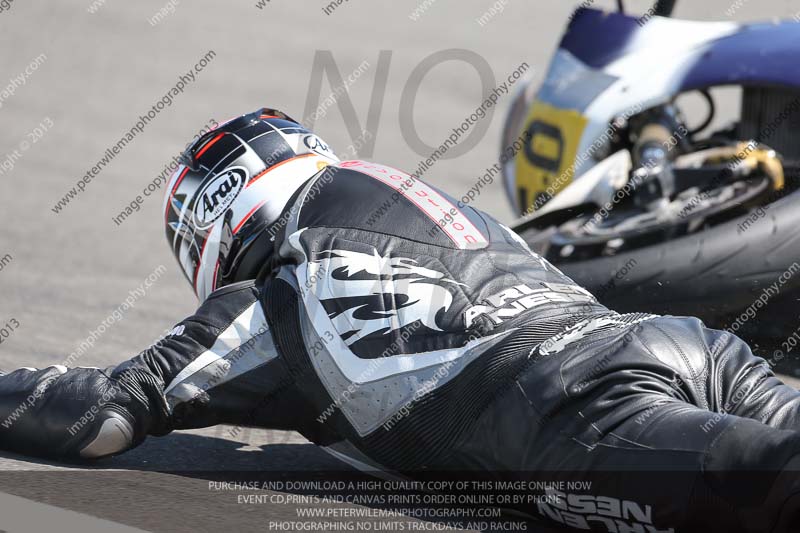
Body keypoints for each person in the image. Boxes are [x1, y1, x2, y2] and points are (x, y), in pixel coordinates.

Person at [1, 107, 799, 532]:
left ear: (215, 223)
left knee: (768, 493)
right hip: (686, 345)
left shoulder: (275, 296)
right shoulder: (425, 205)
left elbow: (102, 418)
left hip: (578, 414)